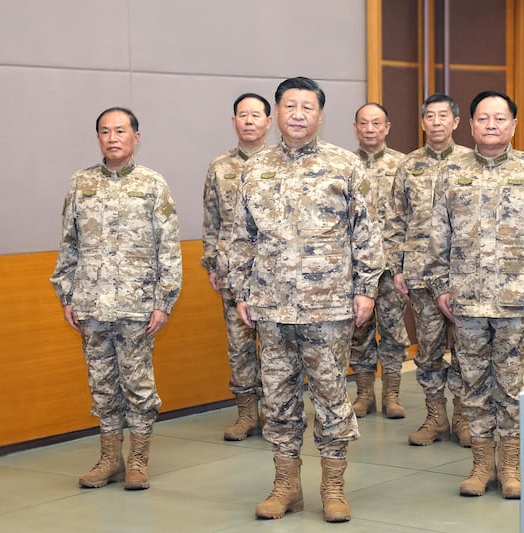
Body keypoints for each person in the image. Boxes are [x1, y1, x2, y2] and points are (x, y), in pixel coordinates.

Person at [228, 77, 383, 523]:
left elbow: (366, 235)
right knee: (277, 396)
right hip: (271, 306)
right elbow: (241, 237)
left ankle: (333, 488)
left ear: (320, 115)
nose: (298, 113)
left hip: (329, 306)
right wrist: (242, 291)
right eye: (290, 105)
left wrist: (365, 289)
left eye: (307, 107)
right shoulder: (255, 169)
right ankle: (285, 487)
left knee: (332, 395)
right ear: (277, 113)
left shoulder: (345, 166)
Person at [427, 91, 524, 499]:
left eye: (499, 118)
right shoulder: (450, 171)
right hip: (465, 298)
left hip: (517, 297)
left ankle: (511, 465)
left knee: (512, 382)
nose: (491, 125)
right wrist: (439, 285)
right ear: (470, 126)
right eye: (483, 118)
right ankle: (481, 465)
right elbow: (437, 235)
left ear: (513, 126)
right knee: (472, 380)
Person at [50, 107, 182, 491]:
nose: (112, 138)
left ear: (135, 137)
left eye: (120, 131)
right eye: (105, 131)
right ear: (98, 138)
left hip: (137, 304)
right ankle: (110, 459)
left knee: (138, 384)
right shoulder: (81, 183)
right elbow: (69, 243)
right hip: (91, 303)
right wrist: (67, 295)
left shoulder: (153, 184)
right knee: (103, 384)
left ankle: (138, 460)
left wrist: (163, 300)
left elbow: (168, 248)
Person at [385, 93, 473, 447]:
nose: (436, 122)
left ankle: (465, 418)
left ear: (456, 122)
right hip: (421, 274)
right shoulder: (408, 165)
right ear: (422, 123)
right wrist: (397, 266)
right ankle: (436, 417)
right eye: (430, 117)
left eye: (443, 116)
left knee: (468, 350)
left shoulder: (472, 162)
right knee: (429, 349)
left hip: (466, 275)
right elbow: (395, 218)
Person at [201, 93, 273, 441]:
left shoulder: (279, 163)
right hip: (234, 274)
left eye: (255, 114)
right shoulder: (219, 166)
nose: (248, 120)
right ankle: (247, 414)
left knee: (277, 347)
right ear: (234, 122)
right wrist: (213, 264)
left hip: (276, 274)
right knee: (240, 345)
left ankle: (276, 413)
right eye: (242, 115)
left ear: (268, 122)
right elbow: (212, 221)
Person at [349, 102, 409, 420]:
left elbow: (410, 216)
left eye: (376, 123)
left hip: (391, 266)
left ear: (387, 127)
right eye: (363, 123)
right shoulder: (344, 164)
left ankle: (392, 394)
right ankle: (363, 394)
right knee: (358, 331)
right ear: (355, 127)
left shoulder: (403, 165)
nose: (370, 129)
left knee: (393, 330)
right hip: (355, 266)